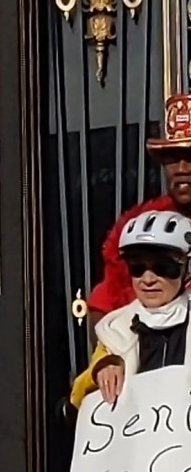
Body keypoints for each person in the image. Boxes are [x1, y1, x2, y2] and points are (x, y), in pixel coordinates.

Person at [67, 210, 191, 413]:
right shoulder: (116, 329)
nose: (148, 279)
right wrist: (102, 368)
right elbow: (78, 395)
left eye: (163, 267)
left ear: (186, 269)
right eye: (137, 268)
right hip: (135, 440)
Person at [87, 93, 191, 328]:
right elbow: (103, 306)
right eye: (173, 159)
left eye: (190, 157)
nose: (182, 168)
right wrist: (110, 358)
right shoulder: (137, 228)